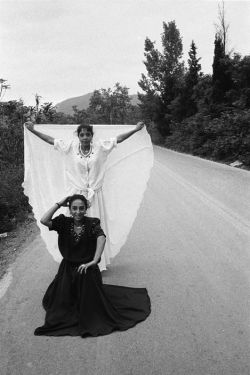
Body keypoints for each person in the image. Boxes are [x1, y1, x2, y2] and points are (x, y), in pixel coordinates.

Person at [24, 121, 145, 270]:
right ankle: (74, 259)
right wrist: (33, 130)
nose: (85, 137)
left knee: (94, 228)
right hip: (76, 195)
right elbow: (50, 140)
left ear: (92, 136)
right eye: (82, 134)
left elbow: (118, 139)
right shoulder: (70, 147)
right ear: (78, 136)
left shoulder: (100, 147)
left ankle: (96, 263)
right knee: (75, 228)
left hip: (95, 195)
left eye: (88, 134)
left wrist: (135, 129)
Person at [34, 194, 150, 337]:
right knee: (62, 303)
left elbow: (101, 237)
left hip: (86, 268)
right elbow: (44, 220)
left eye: (81, 208)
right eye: (74, 208)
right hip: (67, 269)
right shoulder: (63, 222)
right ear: (69, 209)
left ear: (86, 209)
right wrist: (59, 203)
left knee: (90, 304)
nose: (78, 212)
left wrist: (94, 261)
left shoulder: (92, 223)